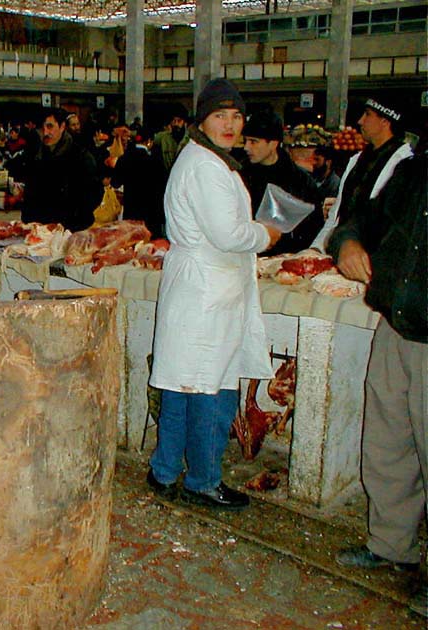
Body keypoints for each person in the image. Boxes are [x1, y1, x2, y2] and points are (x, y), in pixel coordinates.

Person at [147, 78, 280, 509]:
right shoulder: (206, 166)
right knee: (209, 386)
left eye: (237, 116)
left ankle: (165, 470)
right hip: (207, 290)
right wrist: (266, 234)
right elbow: (229, 234)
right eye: (220, 115)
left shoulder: (207, 158)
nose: (230, 123)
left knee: (183, 383)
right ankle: (202, 480)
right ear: (202, 119)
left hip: (203, 287)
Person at [327, 148, 426, 619]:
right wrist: (348, 241)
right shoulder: (414, 169)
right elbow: (364, 217)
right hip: (396, 322)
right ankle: (391, 544)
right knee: (389, 441)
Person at [309, 96, 412, 252]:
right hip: (341, 251)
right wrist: (316, 249)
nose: (360, 121)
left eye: (367, 114)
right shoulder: (357, 160)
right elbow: (337, 215)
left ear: (385, 121)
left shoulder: (405, 163)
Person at [241, 110, 324, 255]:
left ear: (273, 143)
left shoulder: (300, 181)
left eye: (253, 141)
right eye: (245, 141)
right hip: (245, 259)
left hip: (287, 263)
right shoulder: (239, 176)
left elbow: (314, 228)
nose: (246, 147)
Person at [21, 107, 103, 232]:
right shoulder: (36, 156)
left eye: (50, 126)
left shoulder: (81, 156)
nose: (46, 132)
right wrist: (29, 221)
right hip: (42, 230)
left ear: (62, 126)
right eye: (42, 128)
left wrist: (75, 217)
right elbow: (30, 194)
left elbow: (95, 192)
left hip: (73, 230)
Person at [110, 122, 165, 236]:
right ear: (149, 142)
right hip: (151, 217)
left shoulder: (124, 158)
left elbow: (115, 183)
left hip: (131, 213)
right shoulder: (156, 161)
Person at [153, 104, 187, 175]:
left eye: (179, 121)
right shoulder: (163, 137)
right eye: (173, 121)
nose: (176, 124)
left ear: (184, 123)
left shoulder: (191, 139)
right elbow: (147, 136)